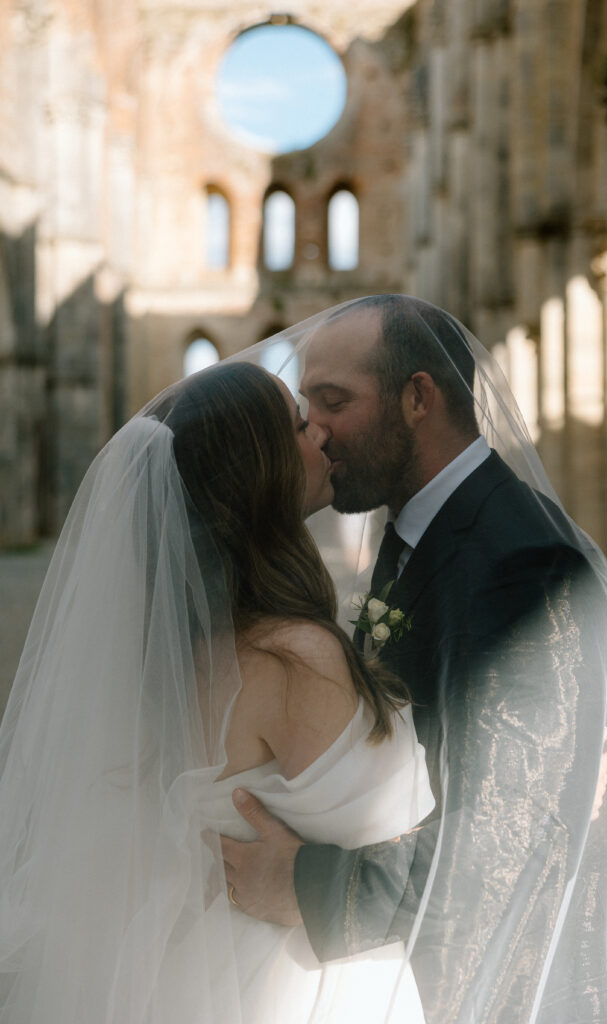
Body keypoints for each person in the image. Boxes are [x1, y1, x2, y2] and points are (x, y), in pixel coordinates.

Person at [221, 296, 607, 1023]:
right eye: (308, 405)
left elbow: (509, 839)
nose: (316, 430)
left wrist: (303, 883)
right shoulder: (424, 528)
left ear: (417, 397)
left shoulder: (524, 566)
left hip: (513, 985)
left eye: (333, 401)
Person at [0, 360, 434, 1024]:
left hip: (201, 972)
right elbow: (400, 832)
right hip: (305, 985)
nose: (318, 431)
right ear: (254, 473)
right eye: (296, 424)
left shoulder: (176, 652)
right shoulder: (293, 658)